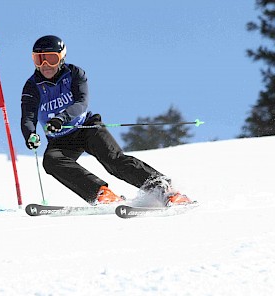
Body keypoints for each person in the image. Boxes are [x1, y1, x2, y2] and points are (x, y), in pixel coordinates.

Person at [20, 35, 191, 206]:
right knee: (51, 161)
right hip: (60, 140)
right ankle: (101, 193)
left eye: (51, 58)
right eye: (39, 59)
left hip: (86, 127)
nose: (45, 65)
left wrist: (61, 118)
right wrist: (30, 135)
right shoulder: (32, 86)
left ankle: (166, 190)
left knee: (113, 161)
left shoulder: (74, 74)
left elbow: (81, 102)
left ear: (62, 58)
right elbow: (28, 116)